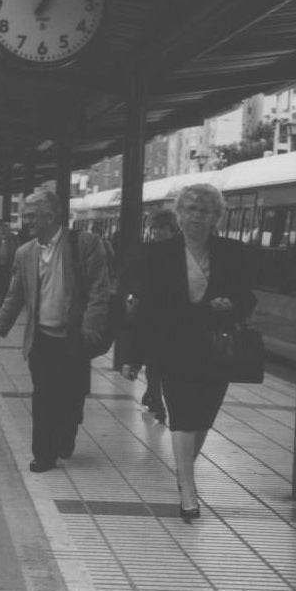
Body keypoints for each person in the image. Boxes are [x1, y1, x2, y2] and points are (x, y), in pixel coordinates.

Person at [121, 184, 255, 520]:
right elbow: (145, 307)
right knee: (182, 415)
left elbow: (248, 297)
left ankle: (184, 473)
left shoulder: (233, 252)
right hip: (172, 346)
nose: (196, 216)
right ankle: (189, 491)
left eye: (205, 210)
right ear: (180, 214)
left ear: (216, 217)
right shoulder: (156, 253)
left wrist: (232, 306)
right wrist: (132, 356)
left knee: (204, 417)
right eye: (191, 209)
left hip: (215, 347)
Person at [0, 189, 111, 473]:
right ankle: (43, 454)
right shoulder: (25, 253)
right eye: (25, 215)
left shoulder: (85, 244)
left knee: (71, 397)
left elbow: (99, 289)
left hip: (74, 337)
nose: (25, 221)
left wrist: (91, 325)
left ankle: (67, 433)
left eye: (31, 216)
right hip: (41, 339)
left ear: (50, 215)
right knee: (43, 397)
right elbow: (14, 297)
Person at [129, 208, 180, 422]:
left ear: (172, 229)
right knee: (153, 361)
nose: (158, 232)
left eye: (162, 228)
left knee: (160, 363)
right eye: (155, 228)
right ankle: (156, 400)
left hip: (172, 317)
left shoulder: (180, 253)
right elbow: (136, 279)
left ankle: (153, 395)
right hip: (150, 316)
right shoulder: (146, 251)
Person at [0, 219, 18, 308]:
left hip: (8, 265)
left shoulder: (13, 239)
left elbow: (16, 251)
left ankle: (4, 303)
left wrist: (14, 264)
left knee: (6, 285)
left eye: (7, 228)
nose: (5, 230)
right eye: (3, 228)